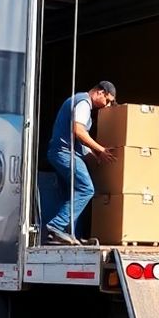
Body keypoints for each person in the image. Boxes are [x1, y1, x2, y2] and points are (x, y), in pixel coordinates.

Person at [44, 82, 117, 245]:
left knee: (71, 195)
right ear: (100, 92)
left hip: (61, 153)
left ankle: (68, 236)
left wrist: (93, 156)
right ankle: (56, 227)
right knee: (86, 189)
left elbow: (81, 143)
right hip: (65, 153)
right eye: (107, 100)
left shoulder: (78, 102)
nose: (107, 106)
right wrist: (101, 150)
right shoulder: (83, 103)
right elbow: (78, 132)